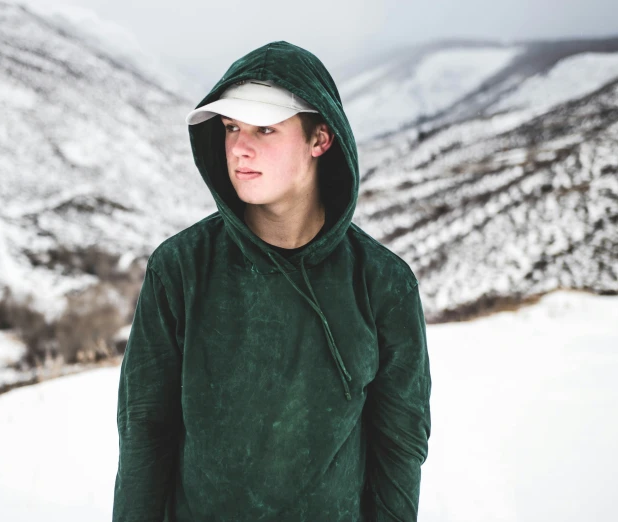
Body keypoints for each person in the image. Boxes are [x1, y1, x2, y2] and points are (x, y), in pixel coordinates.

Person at [112, 41, 431, 522]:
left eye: (265, 128)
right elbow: (145, 431)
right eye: (232, 127)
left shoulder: (383, 284)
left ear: (320, 139)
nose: (240, 147)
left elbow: (400, 445)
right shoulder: (180, 268)